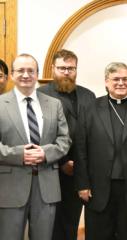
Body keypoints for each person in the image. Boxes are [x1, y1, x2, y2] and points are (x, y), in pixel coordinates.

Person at [74, 62, 127, 240]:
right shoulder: (89, 109)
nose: (121, 83)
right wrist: (82, 184)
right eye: (116, 79)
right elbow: (80, 149)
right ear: (106, 82)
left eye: (125, 79)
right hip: (98, 189)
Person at [0, 53, 71, 240]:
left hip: (46, 187)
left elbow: (65, 140)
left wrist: (45, 153)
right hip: (10, 188)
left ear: (37, 74)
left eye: (30, 70)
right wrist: (19, 154)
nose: (25, 75)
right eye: (20, 70)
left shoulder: (54, 104)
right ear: (12, 75)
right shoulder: (0, 104)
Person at [37, 49, 96, 240]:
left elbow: (93, 133)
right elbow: (39, 133)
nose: (66, 72)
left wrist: (78, 164)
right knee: (49, 224)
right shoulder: (40, 94)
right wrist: (63, 161)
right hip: (50, 169)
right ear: (53, 68)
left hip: (79, 171)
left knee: (71, 222)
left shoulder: (88, 96)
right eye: (62, 68)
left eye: (71, 68)